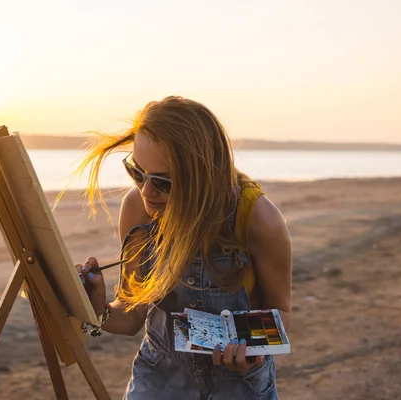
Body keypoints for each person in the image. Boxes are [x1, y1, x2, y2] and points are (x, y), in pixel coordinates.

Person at [74, 96, 292, 399]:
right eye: (137, 173)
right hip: (159, 378)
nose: (146, 192)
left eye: (163, 182)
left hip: (239, 386)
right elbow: (130, 315)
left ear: (203, 177)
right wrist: (97, 310)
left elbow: (280, 312)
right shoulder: (138, 209)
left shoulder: (258, 218)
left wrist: (251, 351)